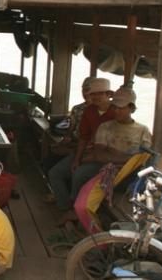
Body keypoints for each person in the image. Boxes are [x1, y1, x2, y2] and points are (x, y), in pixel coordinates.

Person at [74, 87, 152, 232]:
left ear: (131, 108)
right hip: (104, 169)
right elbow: (99, 155)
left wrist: (113, 153)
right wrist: (128, 158)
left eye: (120, 108)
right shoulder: (106, 127)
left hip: (129, 176)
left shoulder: (143, 130)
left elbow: (144, 159)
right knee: (80, 175)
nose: (116, 111)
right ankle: (75, 212)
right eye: (114, 107)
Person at [48, 78, 116, 221]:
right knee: (55, 173)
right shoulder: (89, 110)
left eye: (100, 94)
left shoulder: (116, 112)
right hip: (86, 153)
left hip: (105, 158)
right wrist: (77, 159)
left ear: (108, 94)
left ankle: (75, 211)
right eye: (93, 94)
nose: (95, 97)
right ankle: (66, 207)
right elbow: (83, 138)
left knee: (79, 174)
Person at [42, 76, 93, 173]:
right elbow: (71, 126)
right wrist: (67, 137)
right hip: (74, 140)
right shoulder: (77, 108)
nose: (85, 93)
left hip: (85, 145)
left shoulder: (97, 111)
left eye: (88, 90)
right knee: (52, 149)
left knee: (56, 155)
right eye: (83, 90)